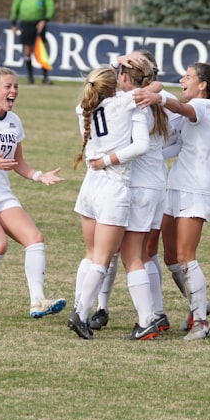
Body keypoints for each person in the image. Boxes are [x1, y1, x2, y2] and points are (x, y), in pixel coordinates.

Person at [0, 67, 67, 321]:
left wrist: (40, 176)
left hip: (0, 192)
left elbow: (18, 162)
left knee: (35, 238)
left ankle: (37, 301)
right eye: (8, 86)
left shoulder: (14, 120)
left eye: (16, 86)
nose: (13, 91)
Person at [135, 62, 210, 340]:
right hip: (175, 187)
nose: (182, 80)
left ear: (203, 85)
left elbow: (184, 109)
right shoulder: (189, 113)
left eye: (188, 76)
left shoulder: (203, 107)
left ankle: (202, 323)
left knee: (185, 257)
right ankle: (199, 305)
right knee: (170, 256)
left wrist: (160, 98)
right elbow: (174, 147)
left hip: (194, 190)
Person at [68, 64, 150, 340]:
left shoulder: (83, 109)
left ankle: (80, 307)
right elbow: (141, 146)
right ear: (115, 85)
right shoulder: (128, 104)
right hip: (113, 186)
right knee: (103, 259)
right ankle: (80, 313)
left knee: (91, 254)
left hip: (90, 185)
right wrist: (109, 159)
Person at [10, 0, 55, 85]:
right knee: (28, 50)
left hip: (39, 24)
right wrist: (13, 24)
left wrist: (44, 20)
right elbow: (15, 7)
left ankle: (45, 77)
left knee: (42, 49)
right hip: (26, 24)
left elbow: (50, 7)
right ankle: (30, 77)